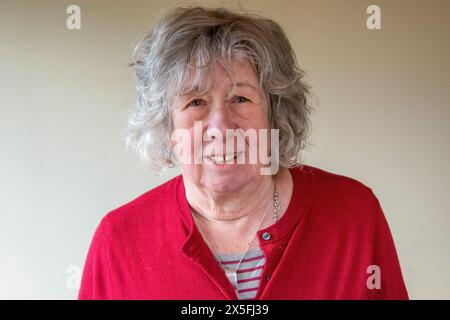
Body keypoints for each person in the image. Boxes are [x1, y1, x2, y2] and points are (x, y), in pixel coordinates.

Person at [78, 6, 408, 300]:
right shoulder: (118, 244)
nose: (221, 127)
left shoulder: (355, 216)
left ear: (274, 113)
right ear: (167, 126)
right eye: (196, 102)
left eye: (241, 99)